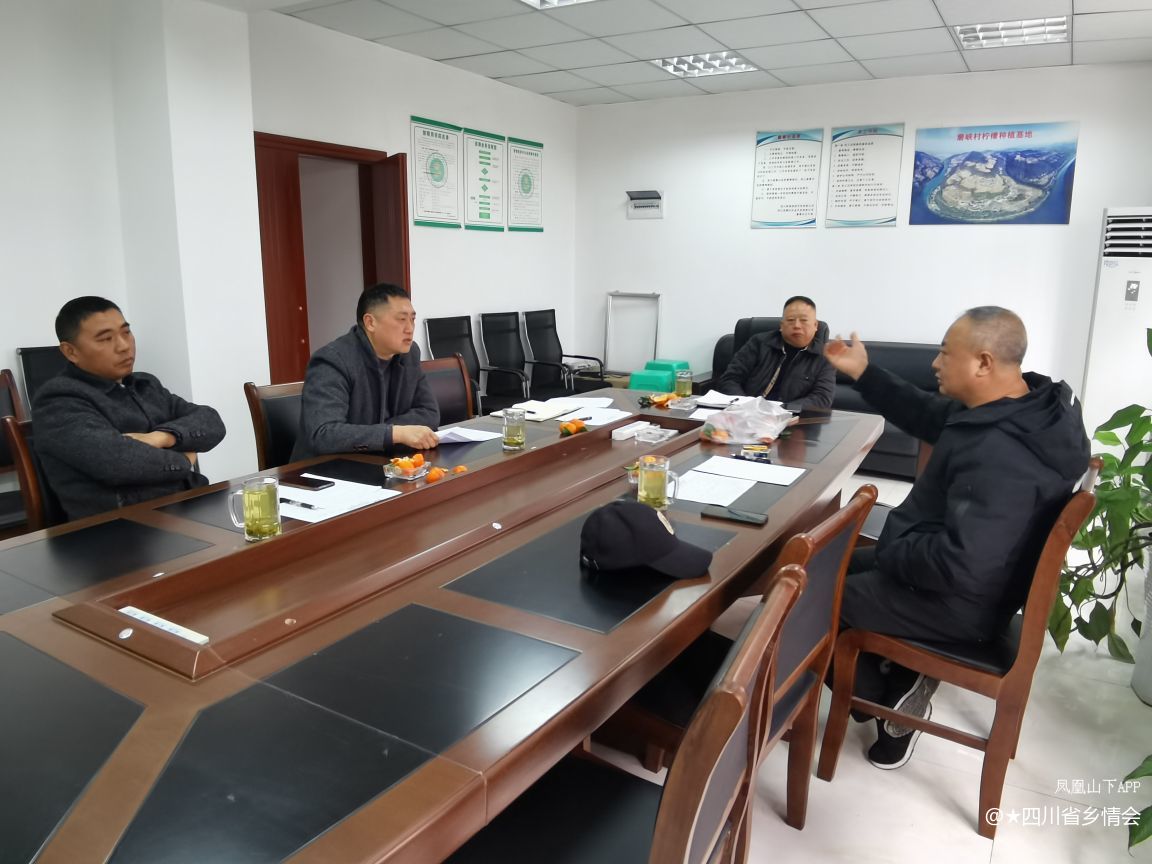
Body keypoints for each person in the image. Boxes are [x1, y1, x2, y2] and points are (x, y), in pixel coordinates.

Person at [824, 306, 1089, 769]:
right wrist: (864, 371)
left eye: (946, 353)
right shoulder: (1020, 410)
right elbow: (928, 413)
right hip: (963, 577)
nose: (935, 362)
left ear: (984, 363)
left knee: (808, 601)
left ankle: (886, 704)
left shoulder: (1005, 454)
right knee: (823, 567)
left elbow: (963, 564)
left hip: (960, 601)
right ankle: (900, 676)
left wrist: (891, 548)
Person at [33, 296, 226, 521]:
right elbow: (119, 462)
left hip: (190, 505)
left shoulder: (145, 384)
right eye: (106, 339)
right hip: (124, 526)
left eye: (126, 332)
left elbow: (211, 421)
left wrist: (161, 438)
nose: (124, 346)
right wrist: (185, 459)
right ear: (70, 352)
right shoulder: (58, 400)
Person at [292, 283, 439, 460]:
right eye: (401, 319)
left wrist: (383, 434)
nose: (410, 328)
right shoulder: (333, 360)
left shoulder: (410, 353)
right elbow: (323, 434)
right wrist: (393, 433)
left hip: (382, 461)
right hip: (326, 468)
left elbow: (430, 413)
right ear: (370, 323)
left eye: (412, 319)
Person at [716, 295, 836, 408]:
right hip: (744, 412)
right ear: (782, 325)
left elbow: (822, 398)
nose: (797, 325)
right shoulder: (759, 343)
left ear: (815, 325)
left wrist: (781, 410)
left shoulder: (825, 357)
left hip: (791, 417)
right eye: (790, 320)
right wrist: (746, 406)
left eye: (804, 320)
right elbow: (730, 379)